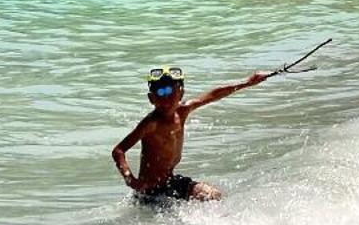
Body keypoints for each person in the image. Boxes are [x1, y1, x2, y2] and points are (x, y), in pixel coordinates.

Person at [112, 66, 269, 202]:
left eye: (170, 91)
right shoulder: (150, 124)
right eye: (160, 92)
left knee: (213, 196)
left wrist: (248, 82)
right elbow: (118, 151)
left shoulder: (183, 111)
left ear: (181, 94)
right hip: (150, 191)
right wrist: (130, 180)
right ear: (151, 98)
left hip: (170, 181)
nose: (165, 97)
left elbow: (213, 94)